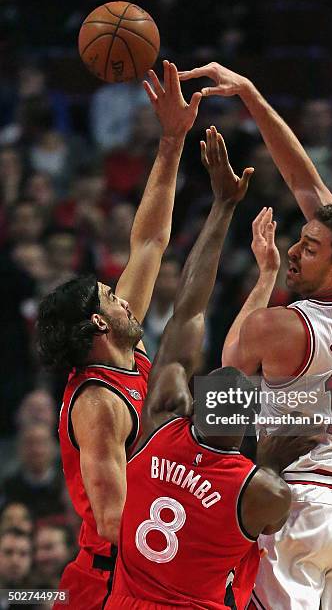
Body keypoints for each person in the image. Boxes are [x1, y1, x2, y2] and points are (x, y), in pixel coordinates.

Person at [180, 62, 332, 609]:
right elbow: (307, 182)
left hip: (301, 504)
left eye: (310, 249)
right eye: (299, 241)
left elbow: (226, 373)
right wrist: (250, 91)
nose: (296, 249)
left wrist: (265, 274)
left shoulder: (284, 327)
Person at [105, 127, 321, 610]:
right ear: (246, 430)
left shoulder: (161, 423)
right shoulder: (262, 488)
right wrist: (273, 462)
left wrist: (222, 206)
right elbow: (265, 510)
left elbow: (188, 311)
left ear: (196, 406)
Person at [36, 60, 201, 610]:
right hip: (110, 582)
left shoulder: (125, 355)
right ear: (100, 324)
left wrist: (172, 141)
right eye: (111, 296)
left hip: (146, 568)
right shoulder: (99, 403)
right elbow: (111, 520)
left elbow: (151, 240)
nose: (124, 297)